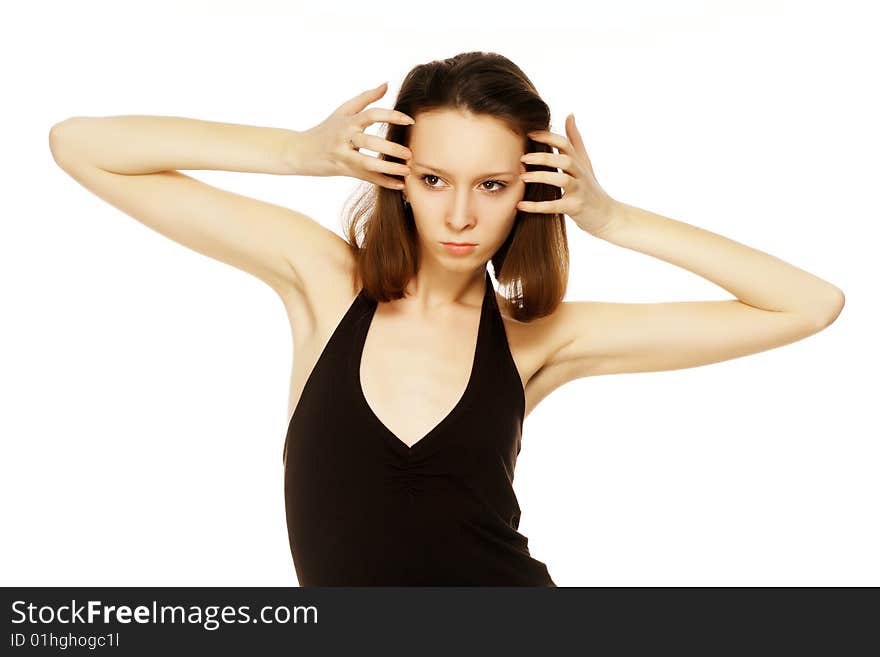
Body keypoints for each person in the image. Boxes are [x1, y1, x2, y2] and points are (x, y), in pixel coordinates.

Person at [49, 51, 844, 586]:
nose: (460, 213)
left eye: (492, 186)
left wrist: (611, 217)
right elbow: (81, 145)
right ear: (399, 175)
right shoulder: (326, 281)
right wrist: (297, 152)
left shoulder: (542, 339)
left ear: (528, 191)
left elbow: (809, 303)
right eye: (434, 178)